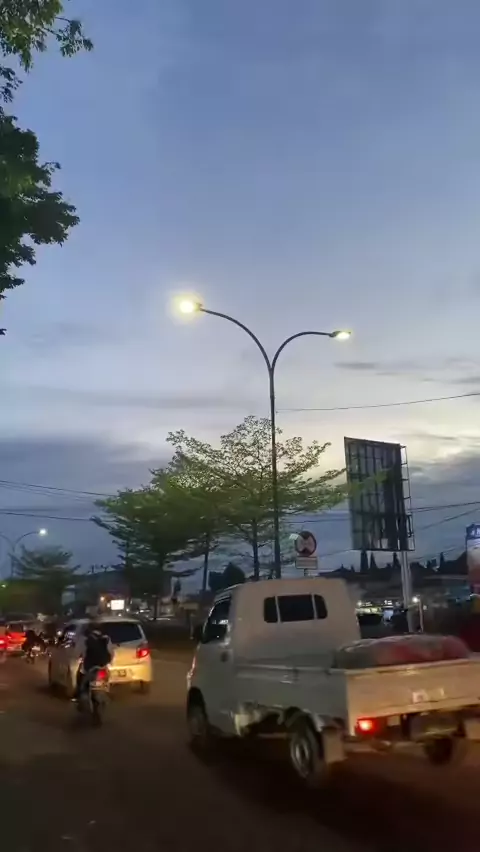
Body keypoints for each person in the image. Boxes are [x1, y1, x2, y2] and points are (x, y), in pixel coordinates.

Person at [73, 623, 113, 701]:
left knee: (80, 677)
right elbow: (111, 652)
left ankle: (78, 695)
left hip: (88, 667)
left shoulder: (85, 639)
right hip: (103, 666)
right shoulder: (106, 639)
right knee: (106, 678)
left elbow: (78, 652)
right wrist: (109, 662)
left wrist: (79, 658)